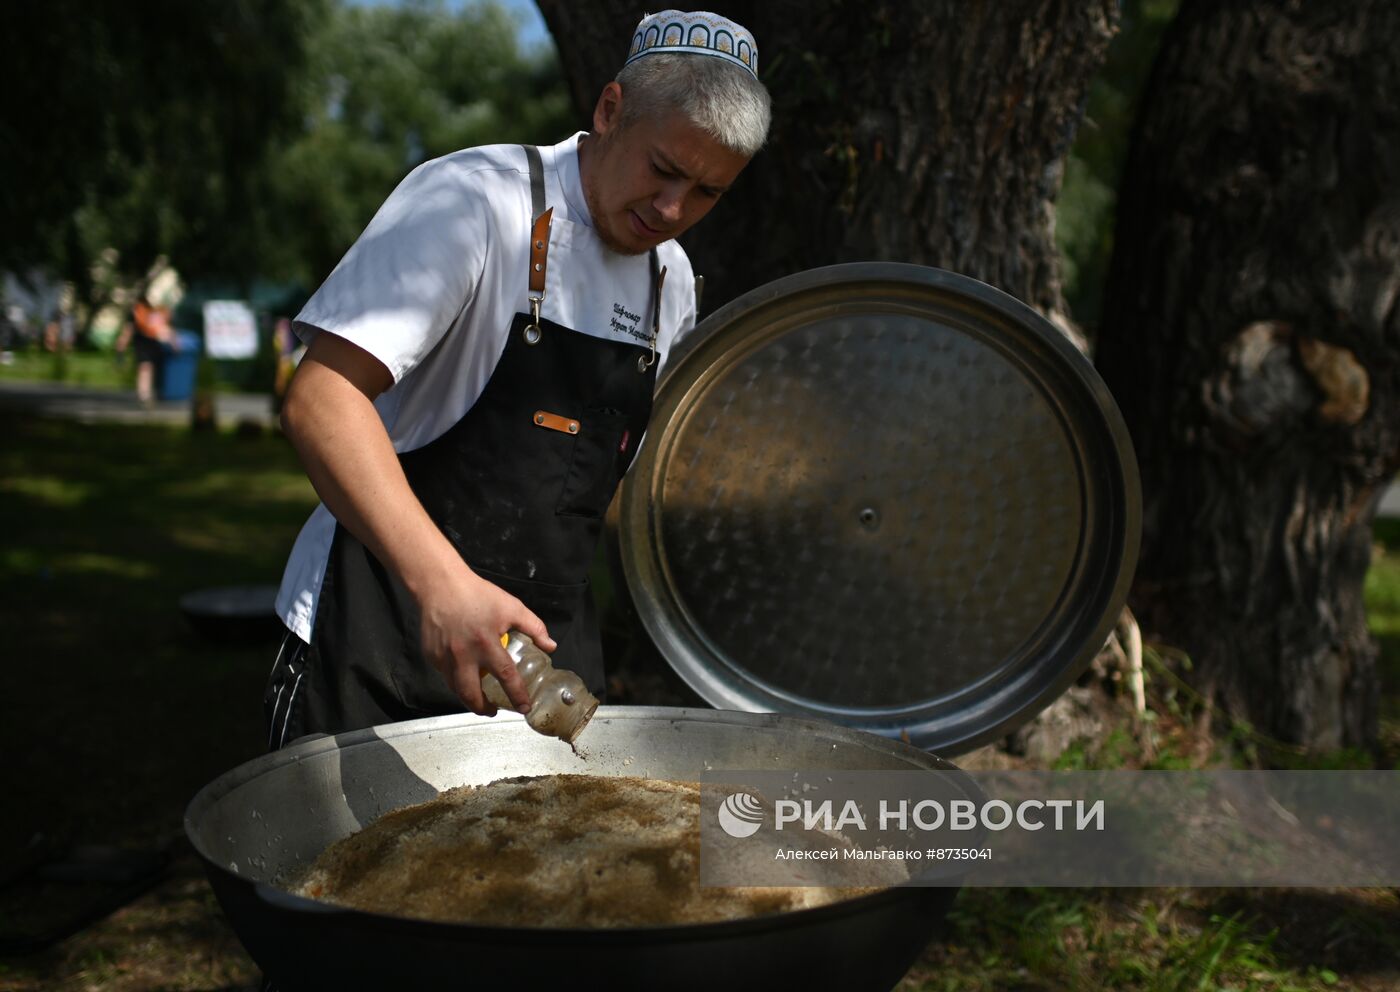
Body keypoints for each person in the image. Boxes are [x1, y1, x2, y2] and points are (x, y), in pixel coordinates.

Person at [265, 10, 772, 749]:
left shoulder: (672, 281)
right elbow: (320, 401)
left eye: (707, 193)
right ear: (610, 110)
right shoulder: (475, 202)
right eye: (663, 170)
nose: (673, 210)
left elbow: (606, 485)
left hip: (542, 674)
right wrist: (442, 586)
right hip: (373, 643)